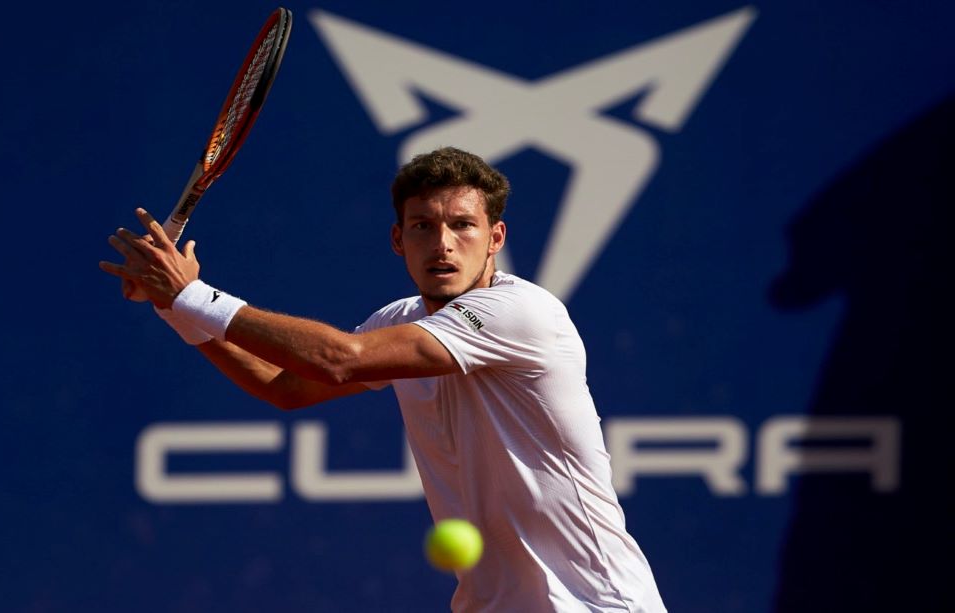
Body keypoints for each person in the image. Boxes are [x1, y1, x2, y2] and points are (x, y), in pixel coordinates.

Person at [100, 147, 667, 613]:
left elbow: (337, 359)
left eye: (463, 226)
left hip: (598, 604)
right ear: (400, 240)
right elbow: (285, 386)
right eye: (423, 226)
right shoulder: (401, 320)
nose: (443, 243)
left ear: (496, 238)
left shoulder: (522, 313)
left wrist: (194, 294)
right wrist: (175, 307)